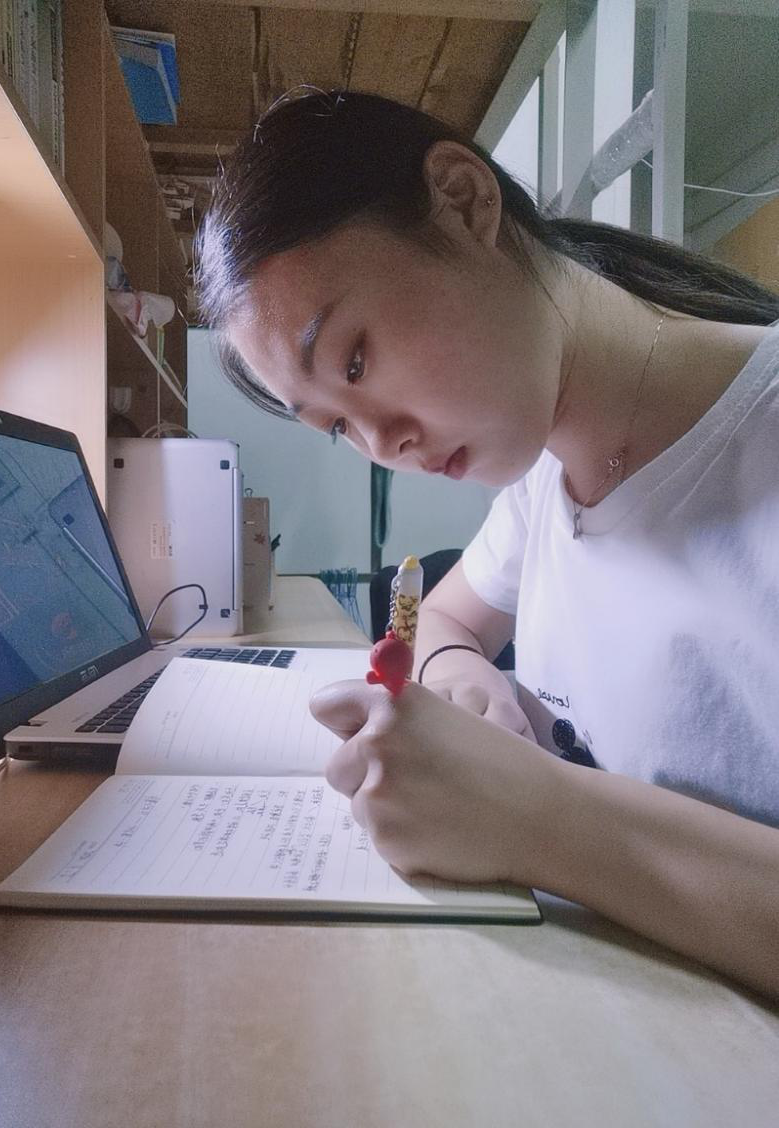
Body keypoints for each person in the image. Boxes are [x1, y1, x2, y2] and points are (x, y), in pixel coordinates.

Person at [195, 89, 779, 998]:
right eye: (336, 425)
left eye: (356, 361)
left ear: (465, 202)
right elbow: (446, 620)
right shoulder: (543, 482)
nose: (381, 444)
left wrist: (537, 815)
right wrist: (462, 681)